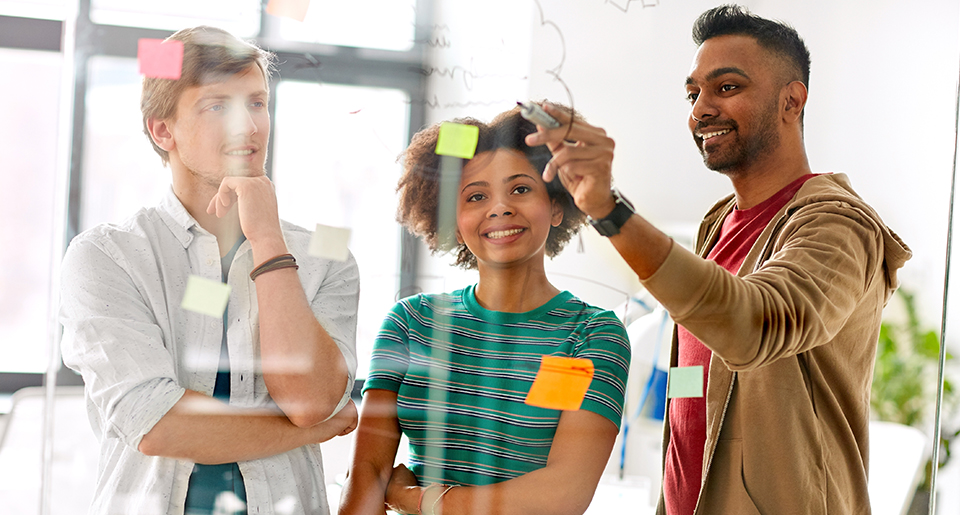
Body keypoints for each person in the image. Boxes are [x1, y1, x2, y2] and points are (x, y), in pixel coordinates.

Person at [525, 5, 912, 515]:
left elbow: (755, 325)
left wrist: (608, 209)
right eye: (693, 94)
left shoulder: (838, 225)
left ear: (791, 101)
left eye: (726, 87)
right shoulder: (718, 224)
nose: (699, 110)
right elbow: (696, 402)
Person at [59, 26, 360, 515]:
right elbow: (158, 427)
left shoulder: (328, 257)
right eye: (217, 105)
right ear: (163, 130)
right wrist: (321, 429)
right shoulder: (106, 256)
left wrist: (267, 241)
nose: (248, 125)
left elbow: (310, 400)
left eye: (257, 103)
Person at [337, 106, 632, 515]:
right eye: (476, 196)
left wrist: (418, 500)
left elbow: (562, 494)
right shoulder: (412, 323)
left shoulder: (587, 334)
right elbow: (367, 472)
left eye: (521, 189)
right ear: (454, 223)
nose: (500, 208)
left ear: (558, 205)